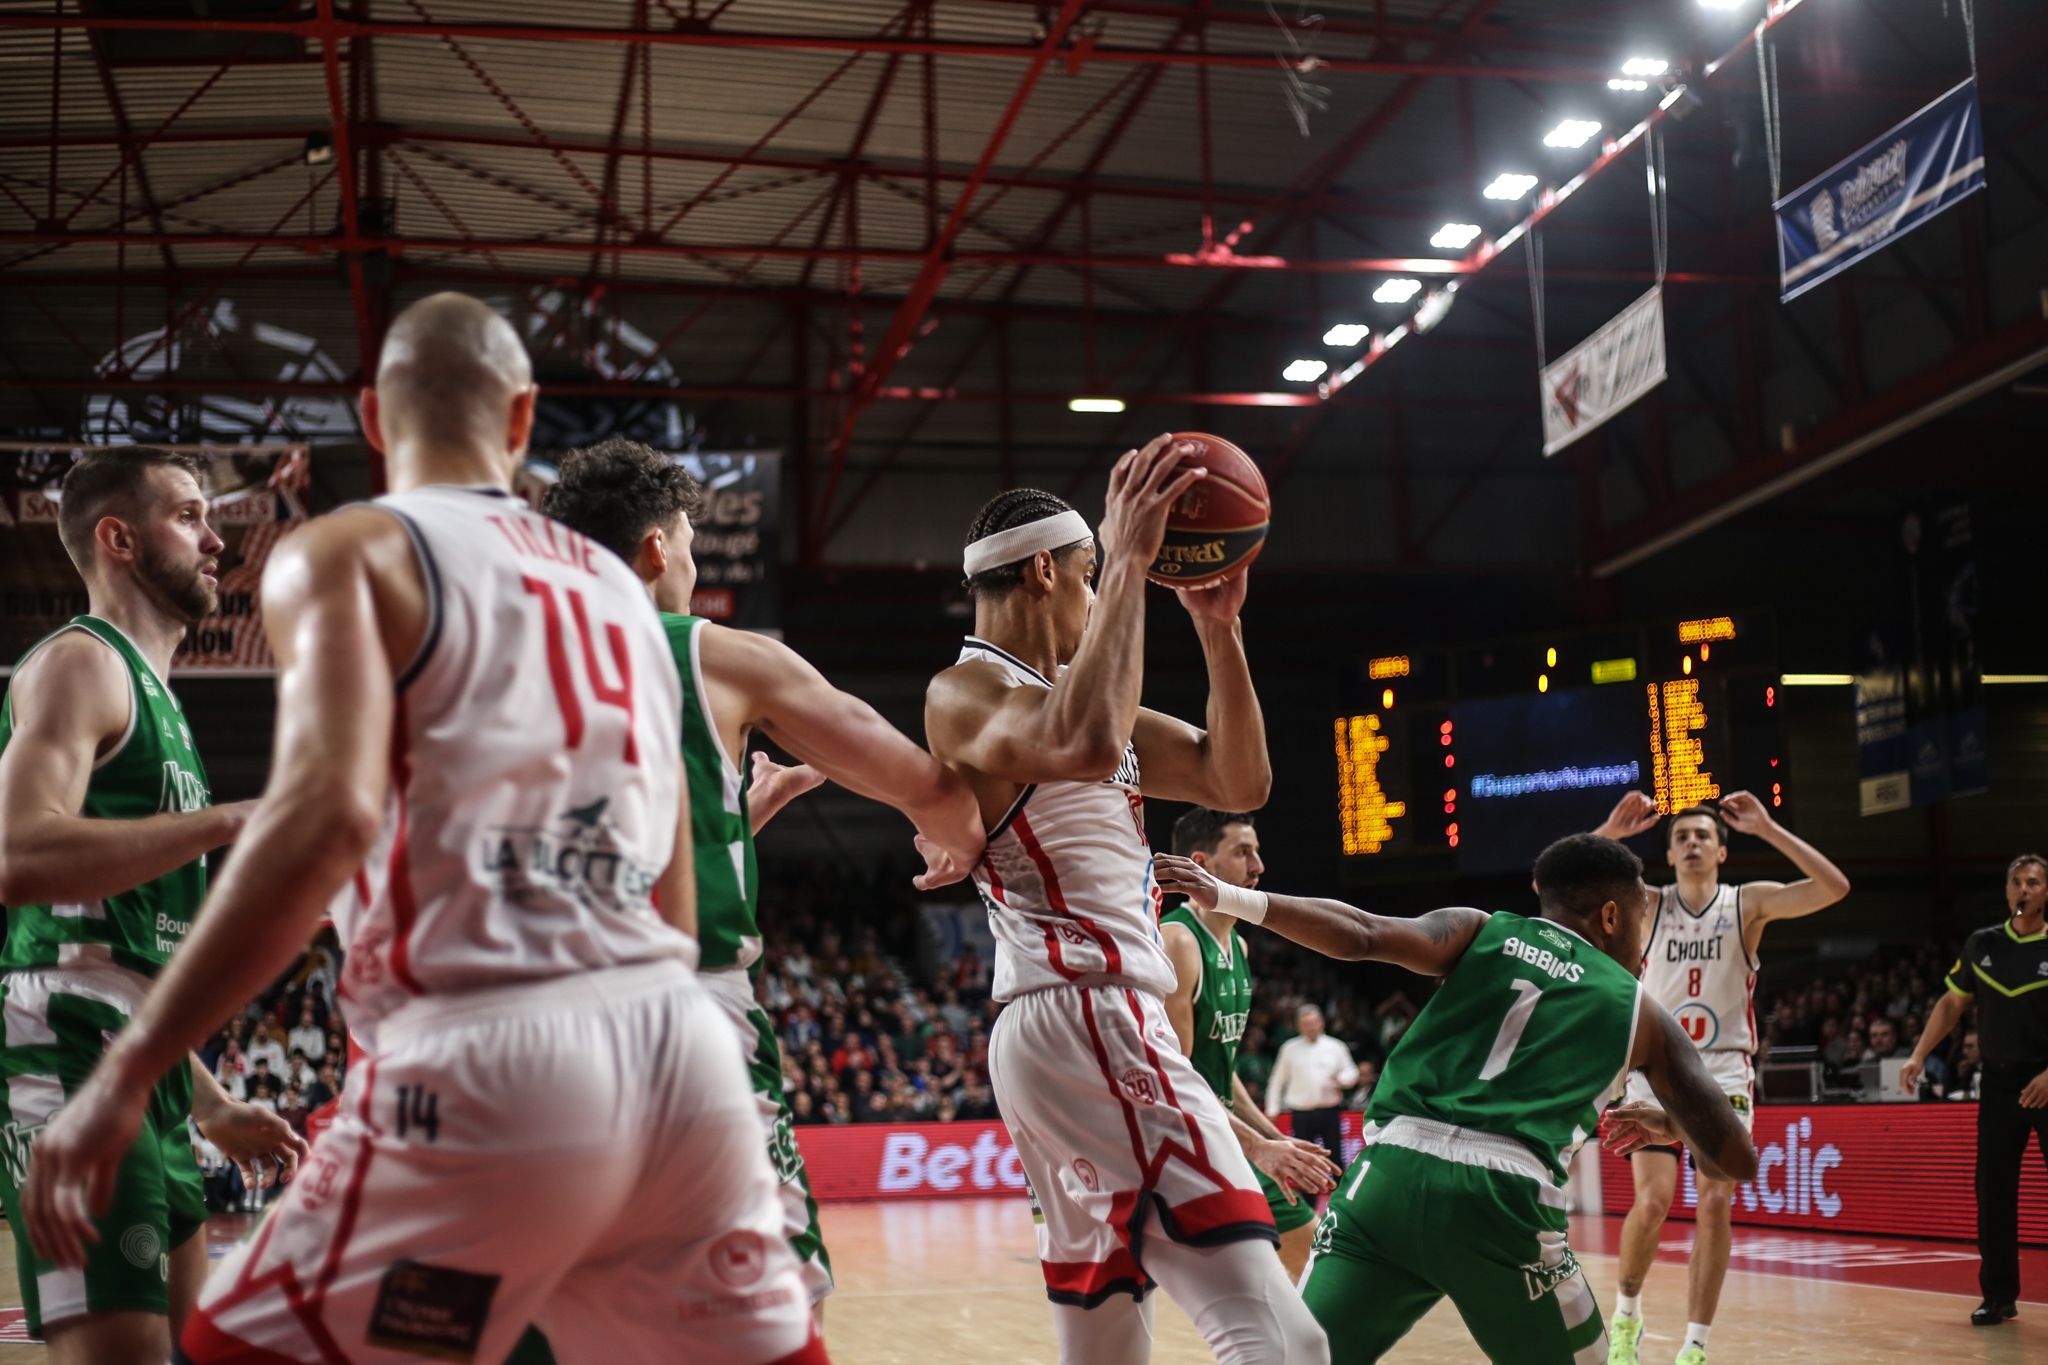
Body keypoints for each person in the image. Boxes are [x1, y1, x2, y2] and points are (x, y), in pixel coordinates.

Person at [20, 292, 832, 1365]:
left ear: (369, 417)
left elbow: (329, 817)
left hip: (485, 1066)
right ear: (523, 419)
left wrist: (130, 1071)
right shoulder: (626, 599)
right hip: (675, 1061)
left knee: (228, 1352)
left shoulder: (348, 550)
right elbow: (672, 896)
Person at [542, 437, 982, 1317]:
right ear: (658, 548)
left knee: (596, 1310)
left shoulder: (495, 662)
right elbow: (925, 785)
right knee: (779, 1303)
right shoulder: (715, 654)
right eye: (693, 549)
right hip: (688, 1013)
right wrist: (950, 834)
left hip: (535, 1033)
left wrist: (736, 817)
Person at [924, 444, 1327, 1365]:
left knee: (1106, 1345)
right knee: (1283, 1341)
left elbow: (1240, 777)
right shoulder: (966, 689)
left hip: (1080, 1028)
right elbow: (1088, 736)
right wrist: (1134, 557)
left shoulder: (1086, 697)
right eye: (1089, 575)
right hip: (1091, 1016)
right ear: (1044, 571)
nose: (1101, 592)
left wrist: (1218, 629)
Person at [1154, 834, 1759, 1365]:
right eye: (1641, 914)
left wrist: (1228, 896)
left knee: (1305, 1355)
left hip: (1385, 1178)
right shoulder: (1643, 1010)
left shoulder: (1481, 929)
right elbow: (1736, 1158)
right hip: (1502, 1200)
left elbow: (1363, 933)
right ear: (1609, 916)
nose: (1644, 932)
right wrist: (1671, 1123)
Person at [0, 445, 309, 1363]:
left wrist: (210, 1103)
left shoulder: (160, 703)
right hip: (68, 1052)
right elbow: (16, 851)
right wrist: (227, 824)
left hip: (147, 1067)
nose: (217, 539)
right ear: (117, 538)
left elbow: (134, 952)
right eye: (190, 516)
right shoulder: (78, 665)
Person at [1591, 792, 1849, 1365]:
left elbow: (1834, 888)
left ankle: (1694, 1346)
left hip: (1724, 1067)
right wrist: (1612, 830)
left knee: (1714, 1201)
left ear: (1722, 851)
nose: (1691, 843)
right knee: (1654, 1201)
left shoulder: (1745, 904)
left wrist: (1771, 828)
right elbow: (1564, 888)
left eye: (1702, 836)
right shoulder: (1647, 905)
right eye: (1681, 836)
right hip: (1655, 1067)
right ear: (1669, 852)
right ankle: (1627, 1316)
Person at [1159, 809, 1339, 1281]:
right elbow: (1178, 1078)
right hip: (1190, 1140)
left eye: (1256, 852)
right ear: (1202, 863)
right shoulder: (1178, 941)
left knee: (1305, 1261)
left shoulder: (1236, 945)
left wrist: (1276, 1139)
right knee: (1292, 1269)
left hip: (1226, 1132)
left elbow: (1221, 1069)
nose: (1258, 866)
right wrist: (1259, 1146)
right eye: (1243, 853)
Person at [1901, 853, 2048, 1327]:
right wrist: (1919, 1054)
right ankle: (1999, 1297)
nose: (2024, 890)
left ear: (2046, 893)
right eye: (2016, 882)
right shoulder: (1982, 944)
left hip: (2047, 1080)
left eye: (2034, 882)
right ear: (2007, 891)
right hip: (2001, 1085)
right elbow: (1951, 1004)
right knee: (1994, 1193)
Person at [1266, 1006, 1359, 1164]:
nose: (1311, 1027)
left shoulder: (1336, 1046)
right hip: (1301, 1113)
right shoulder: (1289, 1048)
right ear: (1299, 1027)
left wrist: (1342, 1079)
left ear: (1321, 1023)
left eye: (1314, 1023)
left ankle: (1338, 1188)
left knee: (1335, 1156)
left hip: (1329, 1111)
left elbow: (1351, 1071)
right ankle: (1305, 1190)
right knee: (1303, 1158)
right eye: (1306, 1024)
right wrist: (1272, 1108)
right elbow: (1277, 1079)